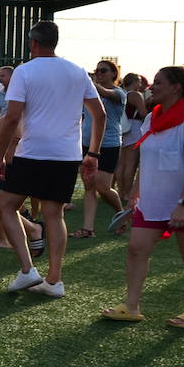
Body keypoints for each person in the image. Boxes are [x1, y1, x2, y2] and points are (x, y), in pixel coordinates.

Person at [0, 21, 105, 299]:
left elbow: (12, 117)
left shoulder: (24, 71)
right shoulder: (77, 70)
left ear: (33, 43)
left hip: (34, 151)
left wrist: (0, 156)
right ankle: (54, 280)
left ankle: (27, 269)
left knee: (6, 206)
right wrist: (92, 153)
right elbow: (99, 114)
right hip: (67, 154)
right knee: (54, 215)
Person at [101, 66, 184, 327]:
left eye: (158, 83)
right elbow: (146, 162)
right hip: (153, 202)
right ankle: (131, 305)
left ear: (175, 88)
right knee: (137, 249)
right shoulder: (152, 118)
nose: (151, 87)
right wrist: (135, 196)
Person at [73, 60, 126, 239]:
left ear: (113, 74)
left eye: (103, 71)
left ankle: (121, 213)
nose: (99, 73)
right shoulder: (88, 93)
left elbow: (106, 93)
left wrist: (87, 81)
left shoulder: (119, 93)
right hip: (88, 143)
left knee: (103, 187)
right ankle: (88, 229)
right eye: (96, 71)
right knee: (89, 185)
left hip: (109, 145)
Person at [115, 72, 148, 205]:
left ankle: (121, 191)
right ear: (134, 81)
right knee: (131, 163)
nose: (140, 84)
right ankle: (128, 193)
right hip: (134, 127)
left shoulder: (120, 93)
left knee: (121, 163)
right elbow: (143, 113)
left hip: (122, 128)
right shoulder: (135, 95)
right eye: (139, 81)